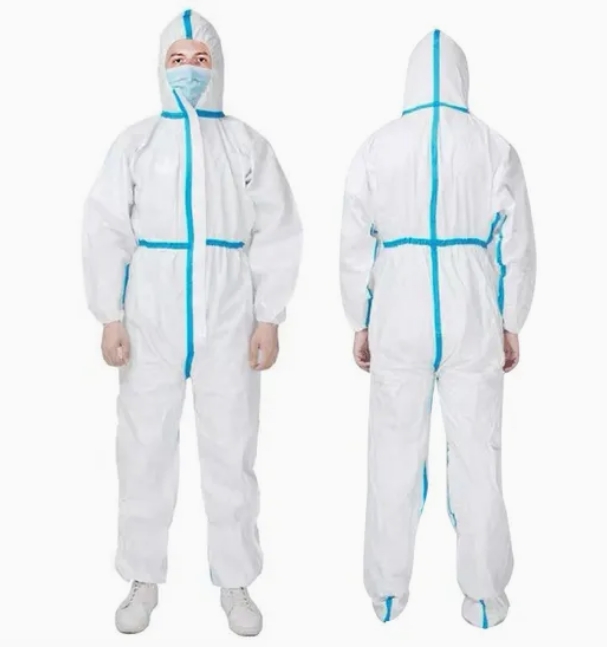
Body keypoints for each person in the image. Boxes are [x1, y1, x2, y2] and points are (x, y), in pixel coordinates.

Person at [83, 10, 302, 637]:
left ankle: (236, 580)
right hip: (150, 311)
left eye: (200, 60)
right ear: (160, 67)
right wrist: (109, 314)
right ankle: (141, 577)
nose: (189, 71)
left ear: (219, 67)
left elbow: (277, 230)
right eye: (177, 60)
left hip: (228, 310)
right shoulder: (137, 143)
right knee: (143, 447)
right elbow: (106, 228)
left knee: (232, 448)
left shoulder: (245, 144)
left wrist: (269, 317)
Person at [340, 30, 535, 628]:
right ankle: (485, 598)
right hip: (470, 307)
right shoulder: (493, 146)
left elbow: (355, 242)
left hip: (398, 310)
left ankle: (387, 594)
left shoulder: (377, 146)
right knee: (478, 455)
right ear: (461, 78)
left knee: (392, 454)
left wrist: (359, 318)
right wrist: (511, 320)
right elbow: (517, 243)